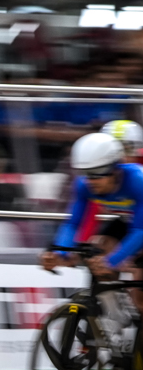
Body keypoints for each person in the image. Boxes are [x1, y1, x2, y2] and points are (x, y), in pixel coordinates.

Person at [40, 131, 143, 316]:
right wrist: (59, 253)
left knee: (140, 298)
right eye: (86, 173)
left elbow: (139, 230)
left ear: (116, 169)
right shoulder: (84, 184)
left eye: (97, 173)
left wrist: (113, 261)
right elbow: (73, 224)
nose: (91, 181)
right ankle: (112, 318)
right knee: (98, 249)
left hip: (139, 225)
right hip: (128, 221)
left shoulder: (137, 181)